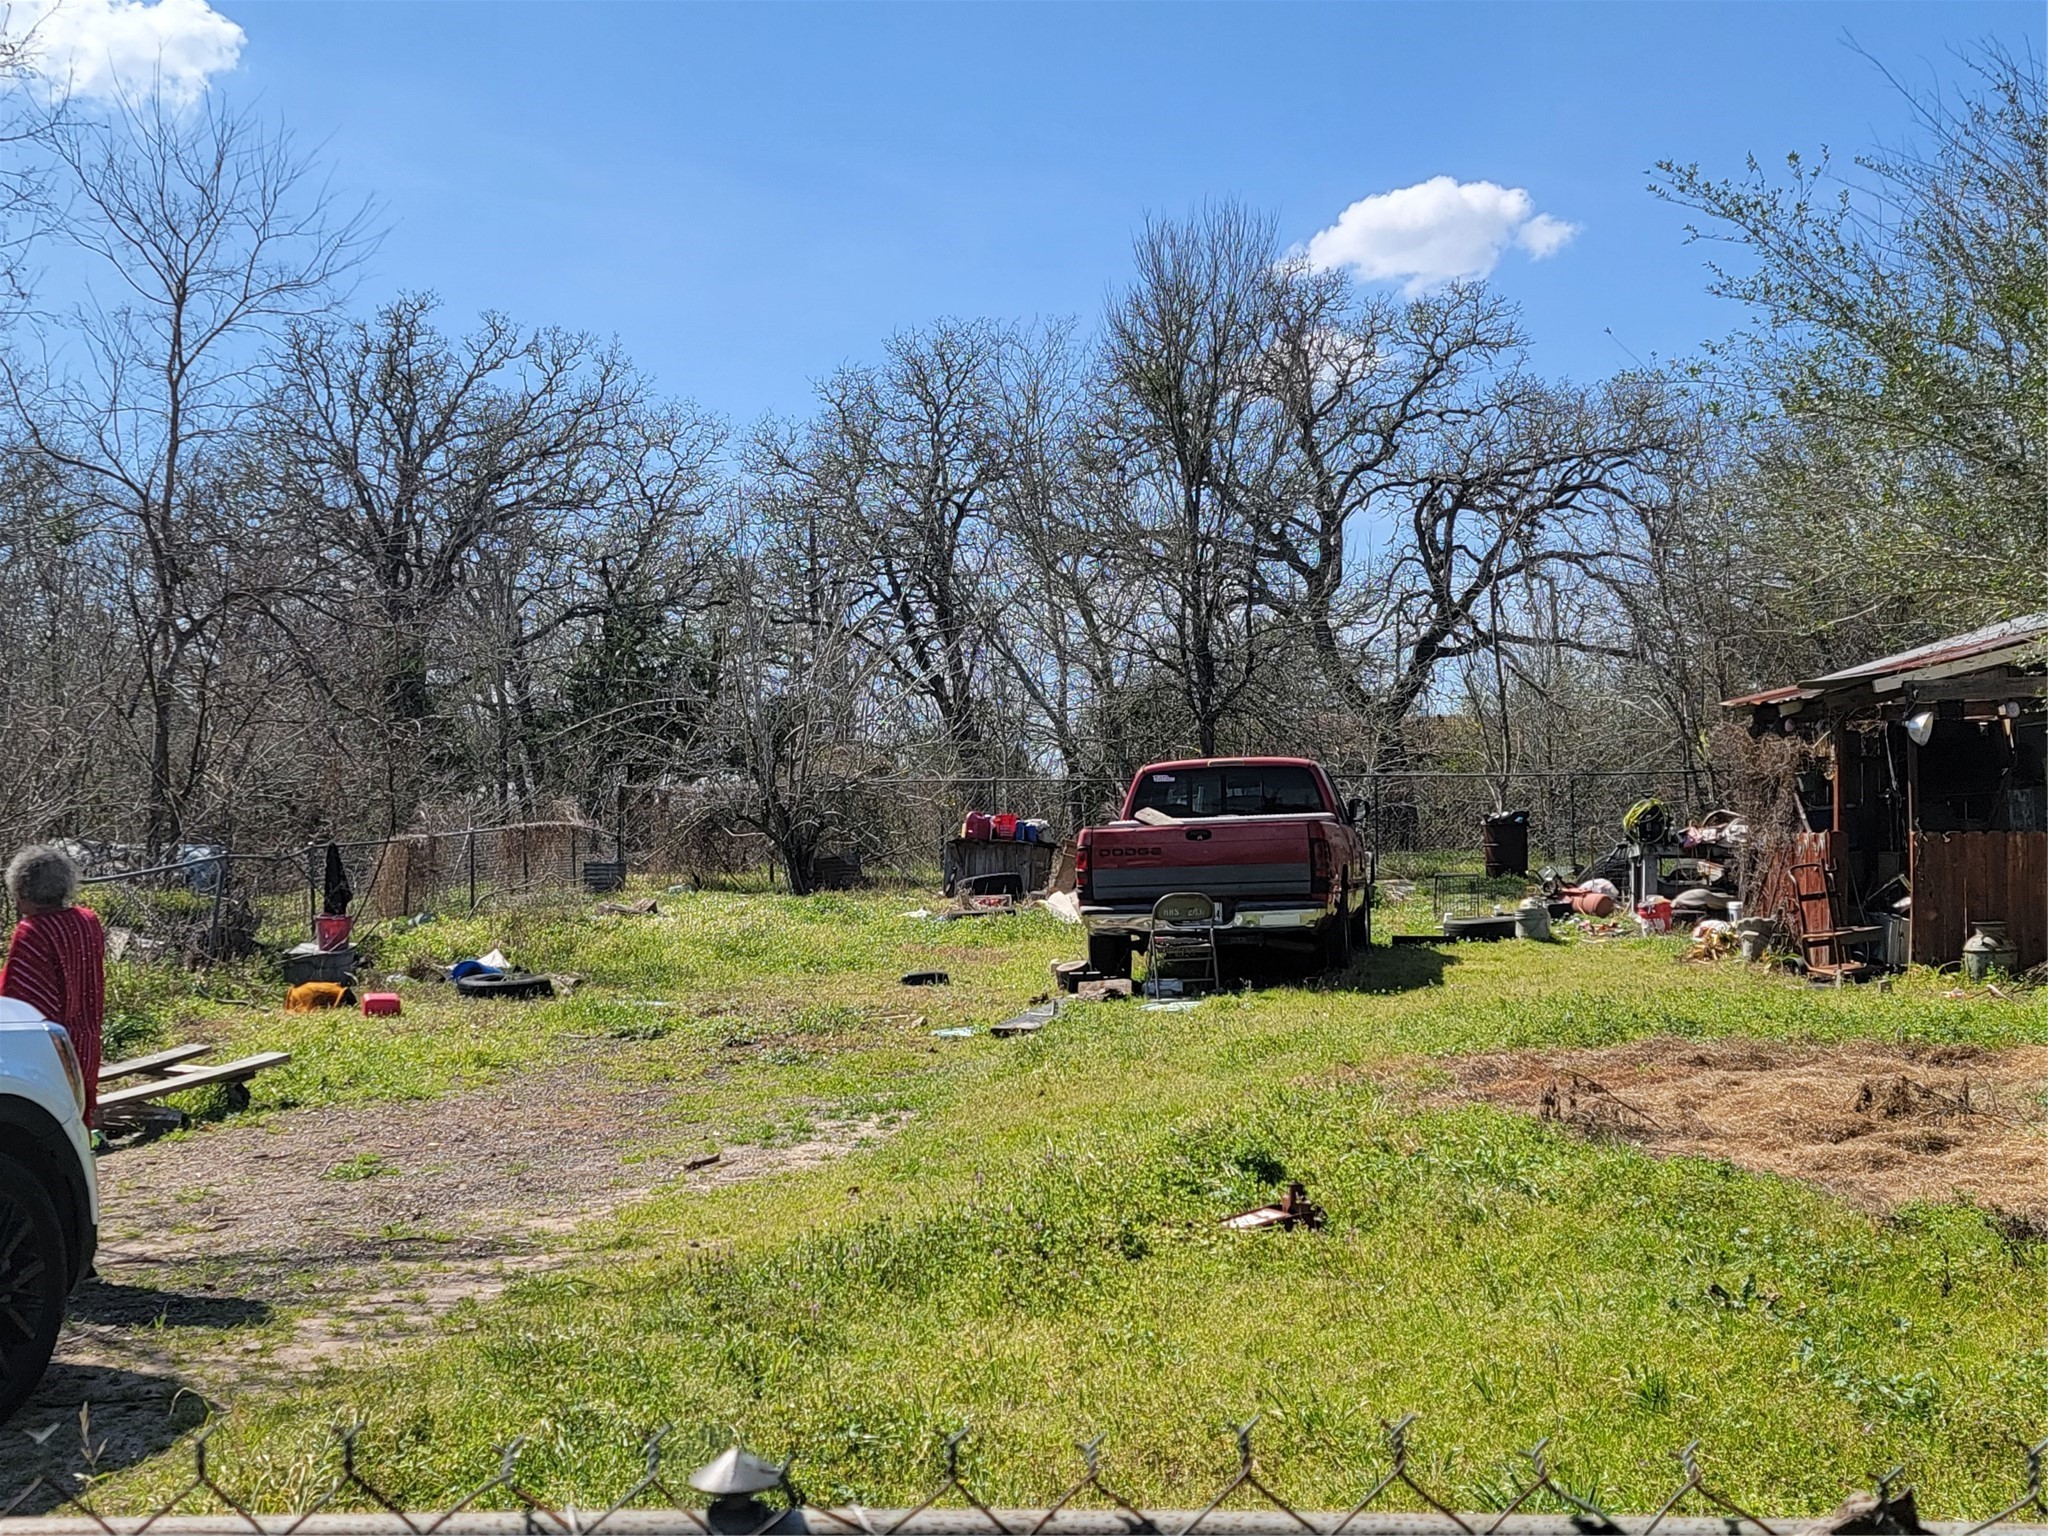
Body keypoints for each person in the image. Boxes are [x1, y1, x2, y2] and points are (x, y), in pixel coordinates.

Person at [1, 845, 107, 1129]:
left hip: (51, 1049)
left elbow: (17, 999)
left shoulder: (32, 931)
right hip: (86, 1040)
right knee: (78, 1123)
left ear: (23, 889)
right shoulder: (88, 920)